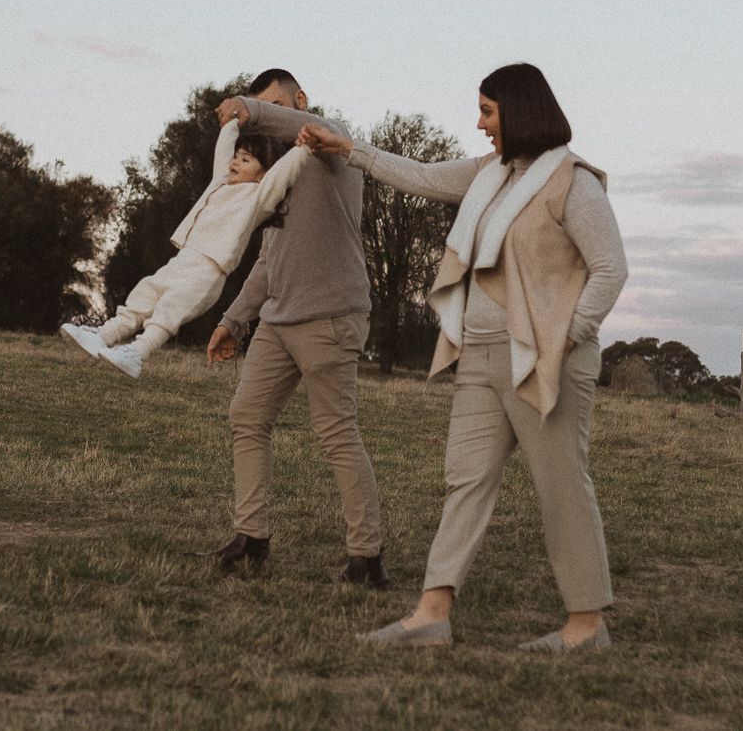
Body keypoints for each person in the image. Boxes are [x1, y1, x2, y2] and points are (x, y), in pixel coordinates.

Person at [299, 63, 627, 651]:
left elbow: (610, 269)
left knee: (561, 488)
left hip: (545, 361)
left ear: (519, 113)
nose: (480, 125)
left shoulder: (573, 183)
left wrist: (567, 336)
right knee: (465, 481)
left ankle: (587, 626)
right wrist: (348, 150)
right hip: (478, 356)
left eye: (487, 112)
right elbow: (420, 176)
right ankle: (432, 614)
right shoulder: (487, 175)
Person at [197, 70, 387, 587]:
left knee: (336, 433)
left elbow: (308, 126)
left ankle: (366, 558)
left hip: (331, 317)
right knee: (246, 417)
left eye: (277, 107)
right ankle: (251, 538)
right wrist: (234, 319)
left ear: (300, 101)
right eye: (264, 112)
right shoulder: (280, 171)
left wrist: (248, 109)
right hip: (278, 321)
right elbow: (268, 257)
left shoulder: (333, 144)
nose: (269, 122)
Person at [62, 122, 306, 378]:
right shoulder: (221, 182)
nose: (235, 161)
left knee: (171, 308)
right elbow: (223, 151)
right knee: (146, 293)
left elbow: (283, 173)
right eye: (237, 156)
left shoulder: (259, 196)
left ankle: (138, 353)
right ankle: (105, 335)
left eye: (245, 159)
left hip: (209, 269)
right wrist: (231, 122)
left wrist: (303, 148)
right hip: (185, 258)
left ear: (263, 174)